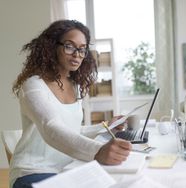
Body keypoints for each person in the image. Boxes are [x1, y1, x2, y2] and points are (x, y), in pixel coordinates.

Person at [10, 20, 132, 188]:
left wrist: (106, 128)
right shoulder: (33, 85)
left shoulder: (74, 86)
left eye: (82, 49)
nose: (77, 54)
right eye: (69, 46)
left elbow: (72, 130)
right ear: (52, 46)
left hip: (68, 169)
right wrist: (98, 151)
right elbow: (51, 129)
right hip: (33, 172)